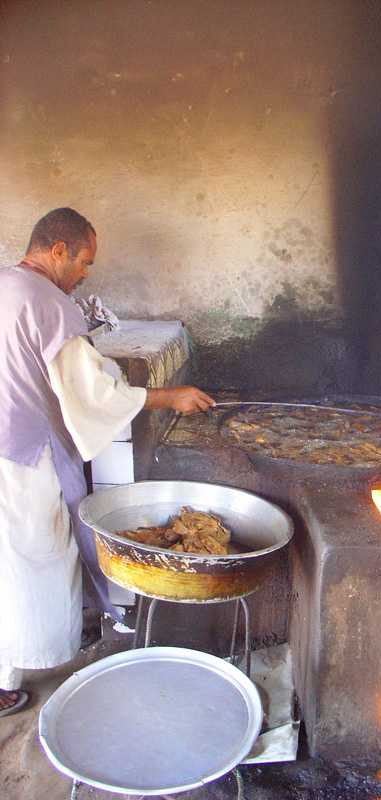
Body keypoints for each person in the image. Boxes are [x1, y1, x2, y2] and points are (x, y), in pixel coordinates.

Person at [0, 208, 214, 716]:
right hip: (26, 462)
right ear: (58, 251)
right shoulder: (48, 304)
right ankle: (19, 664)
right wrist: (172, 396)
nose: (85, 274)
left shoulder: (6, 284)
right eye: (85, 262)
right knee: (36, 565)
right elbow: (97, 394)